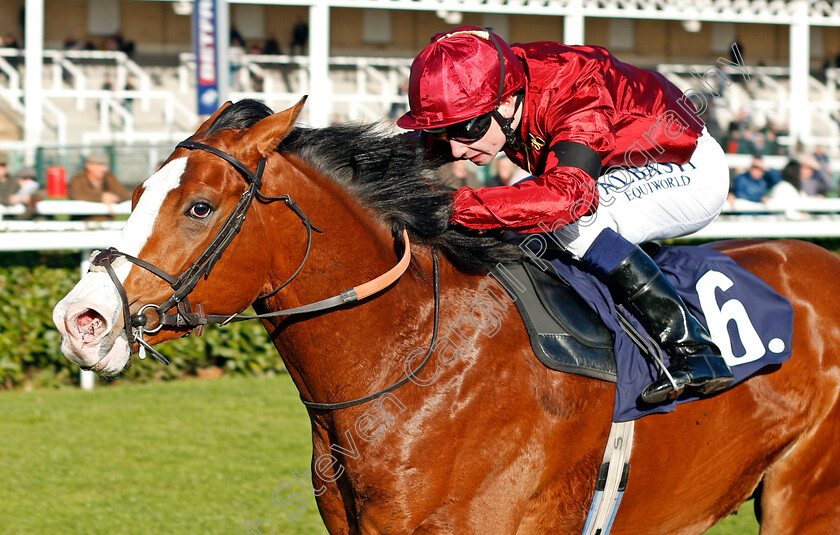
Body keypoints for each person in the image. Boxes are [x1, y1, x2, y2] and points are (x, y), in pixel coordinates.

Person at [397, 26, 734, 404]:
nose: (456, 150)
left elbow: (570, 197)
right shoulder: (494, 87)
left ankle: (694, 349)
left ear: (506, 104)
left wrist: (454, 206)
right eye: (445, 132)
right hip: (616, 166)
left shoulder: (577, 94)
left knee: (577, 221)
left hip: (684, 165)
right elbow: (417, 149)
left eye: (466, 129)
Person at [68, 153, 130, 218]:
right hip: (83, 221)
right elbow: (76, 195)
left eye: (105, 165)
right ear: (89, 166)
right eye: (100, 165)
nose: (104, 168)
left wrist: (116, 197)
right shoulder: (78, 179)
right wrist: (101, 197)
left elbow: (125, 195)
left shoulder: (109, 177)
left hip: (107, 223)